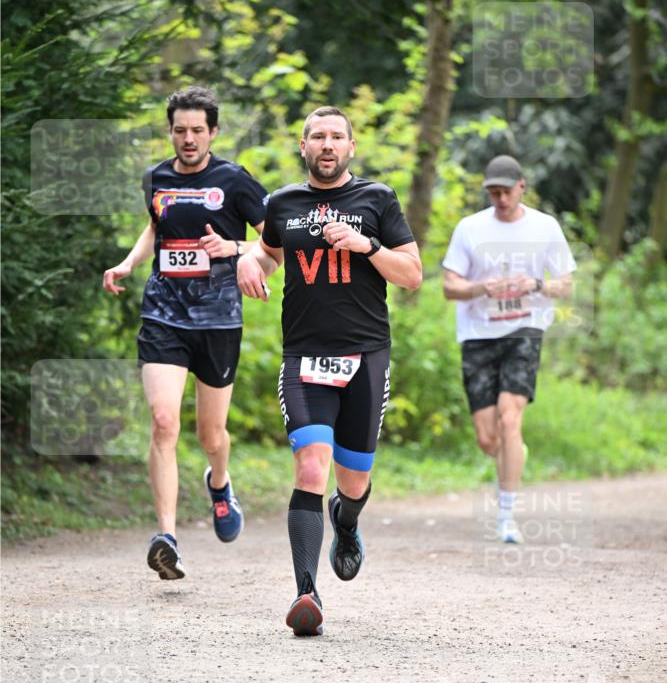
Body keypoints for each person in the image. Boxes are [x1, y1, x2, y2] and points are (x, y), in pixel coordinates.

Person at [237, 106, 421, 636]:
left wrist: (368, 245)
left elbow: (411, 275)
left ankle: (347, 520)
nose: (326, 144)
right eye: (317, 136)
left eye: (336, 136)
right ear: (303, 146)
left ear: (350, 147)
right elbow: (268, 253)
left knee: (353, 480)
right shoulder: (284, 204)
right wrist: (250, 260)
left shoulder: (377, 200)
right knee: (311, 469)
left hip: (366, 357)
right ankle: (306, 595)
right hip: (304, 357)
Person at [103, 86, 267, 580]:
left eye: (198, 130)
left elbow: (272, 244)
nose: (189, 138)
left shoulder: (235, 180)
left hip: (218, 320)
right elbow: (156, 226)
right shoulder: (156, 177)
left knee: (211, 435)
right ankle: (167, 538)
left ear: (213, 131)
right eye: (180, 130)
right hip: (164, 314)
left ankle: (219, 484)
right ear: (170, 131)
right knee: (163, 421)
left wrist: (234, 250)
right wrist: (130, 262)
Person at [442, 154, 576, 544]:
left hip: (525, 328)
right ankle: (513, 453)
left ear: (522, 186)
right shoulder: (470, 229)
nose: (500, 199)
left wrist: (535, 285)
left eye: (506, 191)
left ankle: (505, 517)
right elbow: (449, 286)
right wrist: (482, 287)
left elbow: (565, 284)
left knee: (509, 417)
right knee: (489, 437)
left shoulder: (545, 227)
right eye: (493, 192)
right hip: (478, 334)